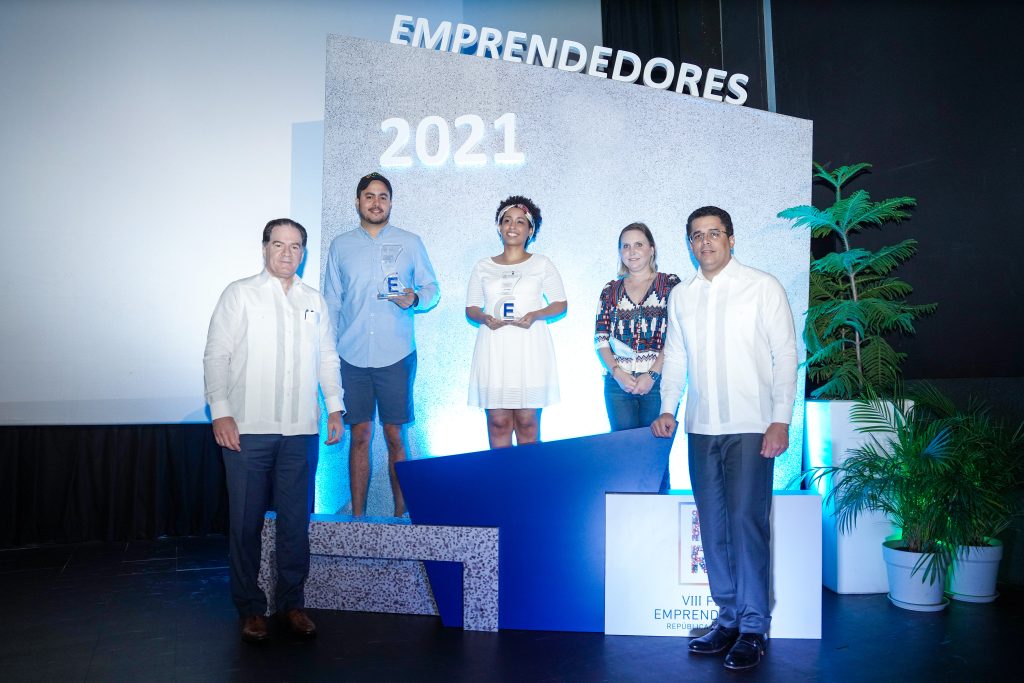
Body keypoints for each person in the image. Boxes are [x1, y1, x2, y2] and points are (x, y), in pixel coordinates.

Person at [651, 206, 797, 671]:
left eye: (714, 233)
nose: (706, 242)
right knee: (713, 528)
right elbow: (676, 357)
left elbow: (785, 354)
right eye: (697, 235)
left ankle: (754, 627)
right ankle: (728, 618)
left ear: (731, 239)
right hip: (701, 427)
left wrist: (780, 419)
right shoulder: (682, 296)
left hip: (752, 425)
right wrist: (668, 408)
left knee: (746, 523)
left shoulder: (762, 286)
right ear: (689, 244)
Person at [204, 218, 345, 643]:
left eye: (295, 246)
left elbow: (327, 358)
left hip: (301, 430)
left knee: (295, 524)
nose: (287, 253)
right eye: (279, 244)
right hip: (247, 428)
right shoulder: (240, 294)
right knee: (245, 524)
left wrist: (335, 408)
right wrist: (221, 412)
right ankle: (250, 607)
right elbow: (216, 355)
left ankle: (291, 603)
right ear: (265, 248)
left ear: (304, 252)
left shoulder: (314, 300)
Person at [323, 172, 439, 517]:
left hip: (396, 354)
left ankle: (401, 518)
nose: (376, 203)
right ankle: (357, 519)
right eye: (369, 196)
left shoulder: (410, 242)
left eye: (383, 196)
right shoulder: (340, 245)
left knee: (395, 436)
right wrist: (328, 350)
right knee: (359, 435)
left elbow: (432, 290)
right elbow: (332, 301)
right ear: (358, 201)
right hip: (351, 354)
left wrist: (414, 298)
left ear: (390, 202)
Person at [466, 195, 567, 448]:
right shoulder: (483, 266)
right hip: (494, 349)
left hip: (529, 349)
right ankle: (500, 475)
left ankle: (529, 476)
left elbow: (560, 303)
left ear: (530, 230)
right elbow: (471, 308)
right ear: (499, 227)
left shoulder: (541, 264)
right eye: (507, 220)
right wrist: (484, 317)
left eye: (520, 222)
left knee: (527, 422)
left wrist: (535, 315)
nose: (513, 226)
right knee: (498, 422)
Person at [595, 222, 680, 431]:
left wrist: (652, 375)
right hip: (618, 385)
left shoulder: (670, 285)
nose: (632, 251)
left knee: (655, 448)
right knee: (623, 448)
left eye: (638, 245)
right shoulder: (610, 290)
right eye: (626, 246)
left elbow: (676, 337)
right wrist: (618, 374)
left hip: (659, 382)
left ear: (652, 249)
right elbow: (601, 340)